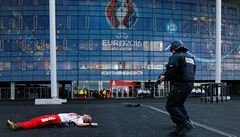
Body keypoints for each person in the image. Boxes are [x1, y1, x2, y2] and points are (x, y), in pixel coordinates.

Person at [159, 40, 196, 135]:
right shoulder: (190, 57)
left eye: (172, 50)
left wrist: (164, 77)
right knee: (178, 104)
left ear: (174, 48)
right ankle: (183, 124)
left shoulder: (175, 56)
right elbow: (191, 71)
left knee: (170, 105)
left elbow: (172, 72)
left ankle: (184, 123)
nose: (172, 52)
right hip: (189, 84)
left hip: (180, 84)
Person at [5, 113, 98, 130]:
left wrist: (89, 124)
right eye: (88, 116)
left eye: (88, 117)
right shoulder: (78, 115)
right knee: (36, 120)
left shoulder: (80, 119)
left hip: (56, 119)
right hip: (55, 116)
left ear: (86, 120)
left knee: (37, 122)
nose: (88, 115)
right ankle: (18, 124)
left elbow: (79, 124)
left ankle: (16, 126)